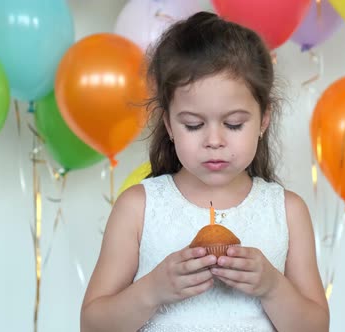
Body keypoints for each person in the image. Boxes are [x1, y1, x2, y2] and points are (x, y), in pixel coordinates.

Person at [80, 11, 329, 332]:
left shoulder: (287, 211)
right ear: (169, 124)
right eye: (194, 125)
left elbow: (316, 327)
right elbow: (92, 325)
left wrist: (272, 286)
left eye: (234, 124)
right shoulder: (138, 207)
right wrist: (153, 290)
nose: (214, 140)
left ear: (264, 119)